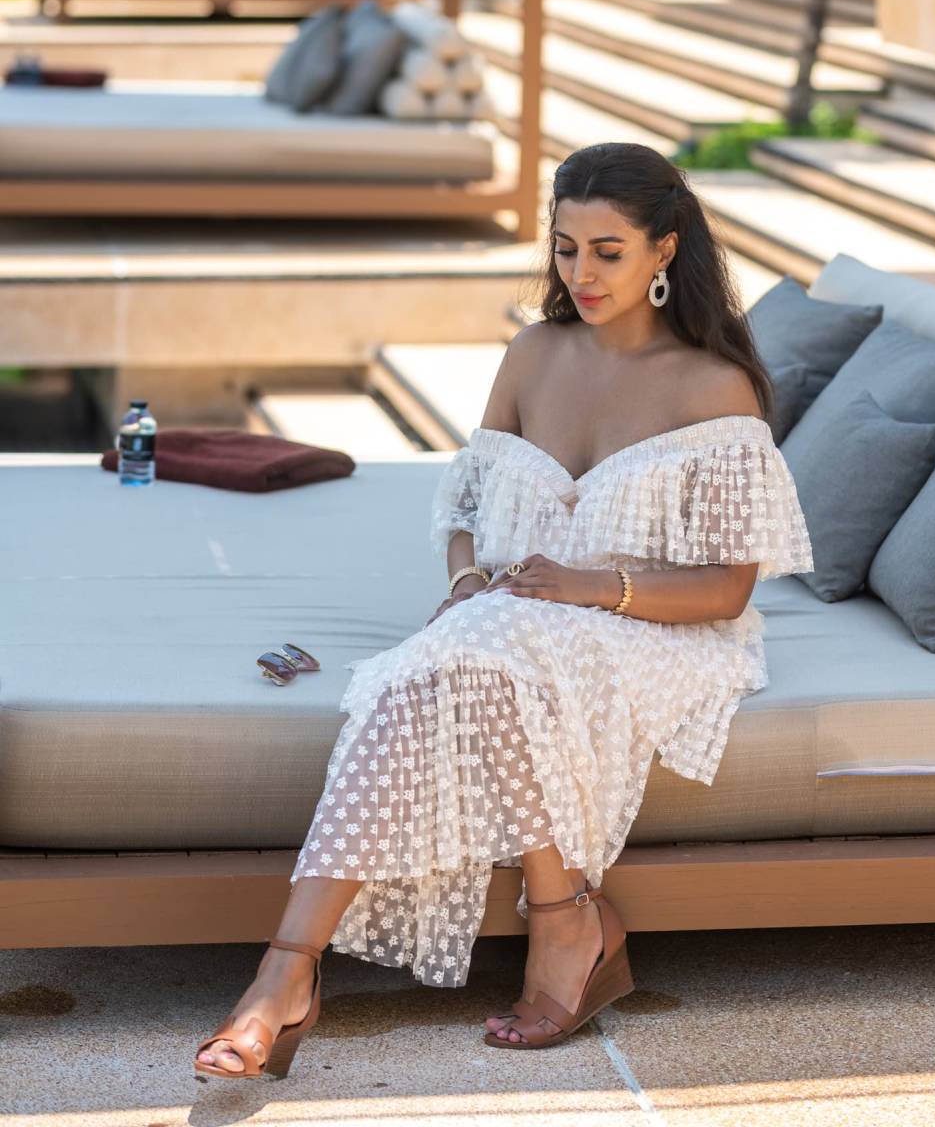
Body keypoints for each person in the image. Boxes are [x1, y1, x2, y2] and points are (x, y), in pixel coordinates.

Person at [193, 140, 814, 1076]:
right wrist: (463, 586)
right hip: (513, 618)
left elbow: (727, 590)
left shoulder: (712, 387)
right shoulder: (532, 353)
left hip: (657, 629)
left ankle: (285, 981)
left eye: (608, 251)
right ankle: (559, 922)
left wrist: (590, 586)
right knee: (452, 665)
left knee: (445, 669)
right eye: (565, 248)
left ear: (665, 250)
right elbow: (468, 514)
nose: (582, 273)